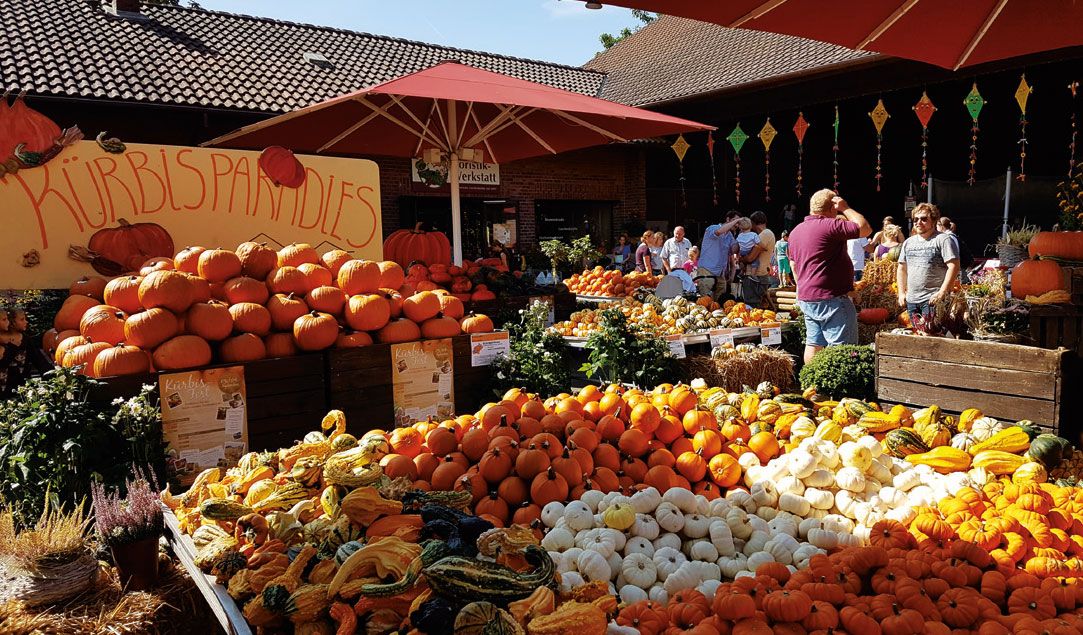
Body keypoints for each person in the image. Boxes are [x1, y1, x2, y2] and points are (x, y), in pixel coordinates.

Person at [788, 188, 872, 363]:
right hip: (831, 298)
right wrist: (845, 207)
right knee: (842, 348)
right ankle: (840, 387)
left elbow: (793, 265)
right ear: (833, 207)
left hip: (807, 297)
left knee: (813, 344)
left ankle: (811, 383)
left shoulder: (796, 231)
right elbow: (865, 229)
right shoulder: (830, 225)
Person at [898, 203, 960, 320]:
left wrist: (942, 292)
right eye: (916, 219)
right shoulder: (908, 242)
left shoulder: (943, 240)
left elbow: (954, 266)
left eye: (924, 219)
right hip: (912, 301)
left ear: (934, 220)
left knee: (932, 335)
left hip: (933, 299)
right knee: (917, 334)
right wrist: (901, 293)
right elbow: (902, 268)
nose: (918, 222)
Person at [696, 215, 742, 300]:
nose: (736, 225)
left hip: (720, 273)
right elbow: (718, 232)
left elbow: (734, 250)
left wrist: (743, 236)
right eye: (735, 221)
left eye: (738, 223)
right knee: (705, 300)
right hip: (707, 270)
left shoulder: (730, 236)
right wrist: (736, 221)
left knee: (720, 301)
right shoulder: (712, 227)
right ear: (728, 219)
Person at [739, 210, 777, 307]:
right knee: (757, 307)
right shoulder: (767, 234)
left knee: (752, 307)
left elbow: (750, 258)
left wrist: (741, 259)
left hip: (755, 277)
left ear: (753, 223)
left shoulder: (764, 234)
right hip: (760, 275)